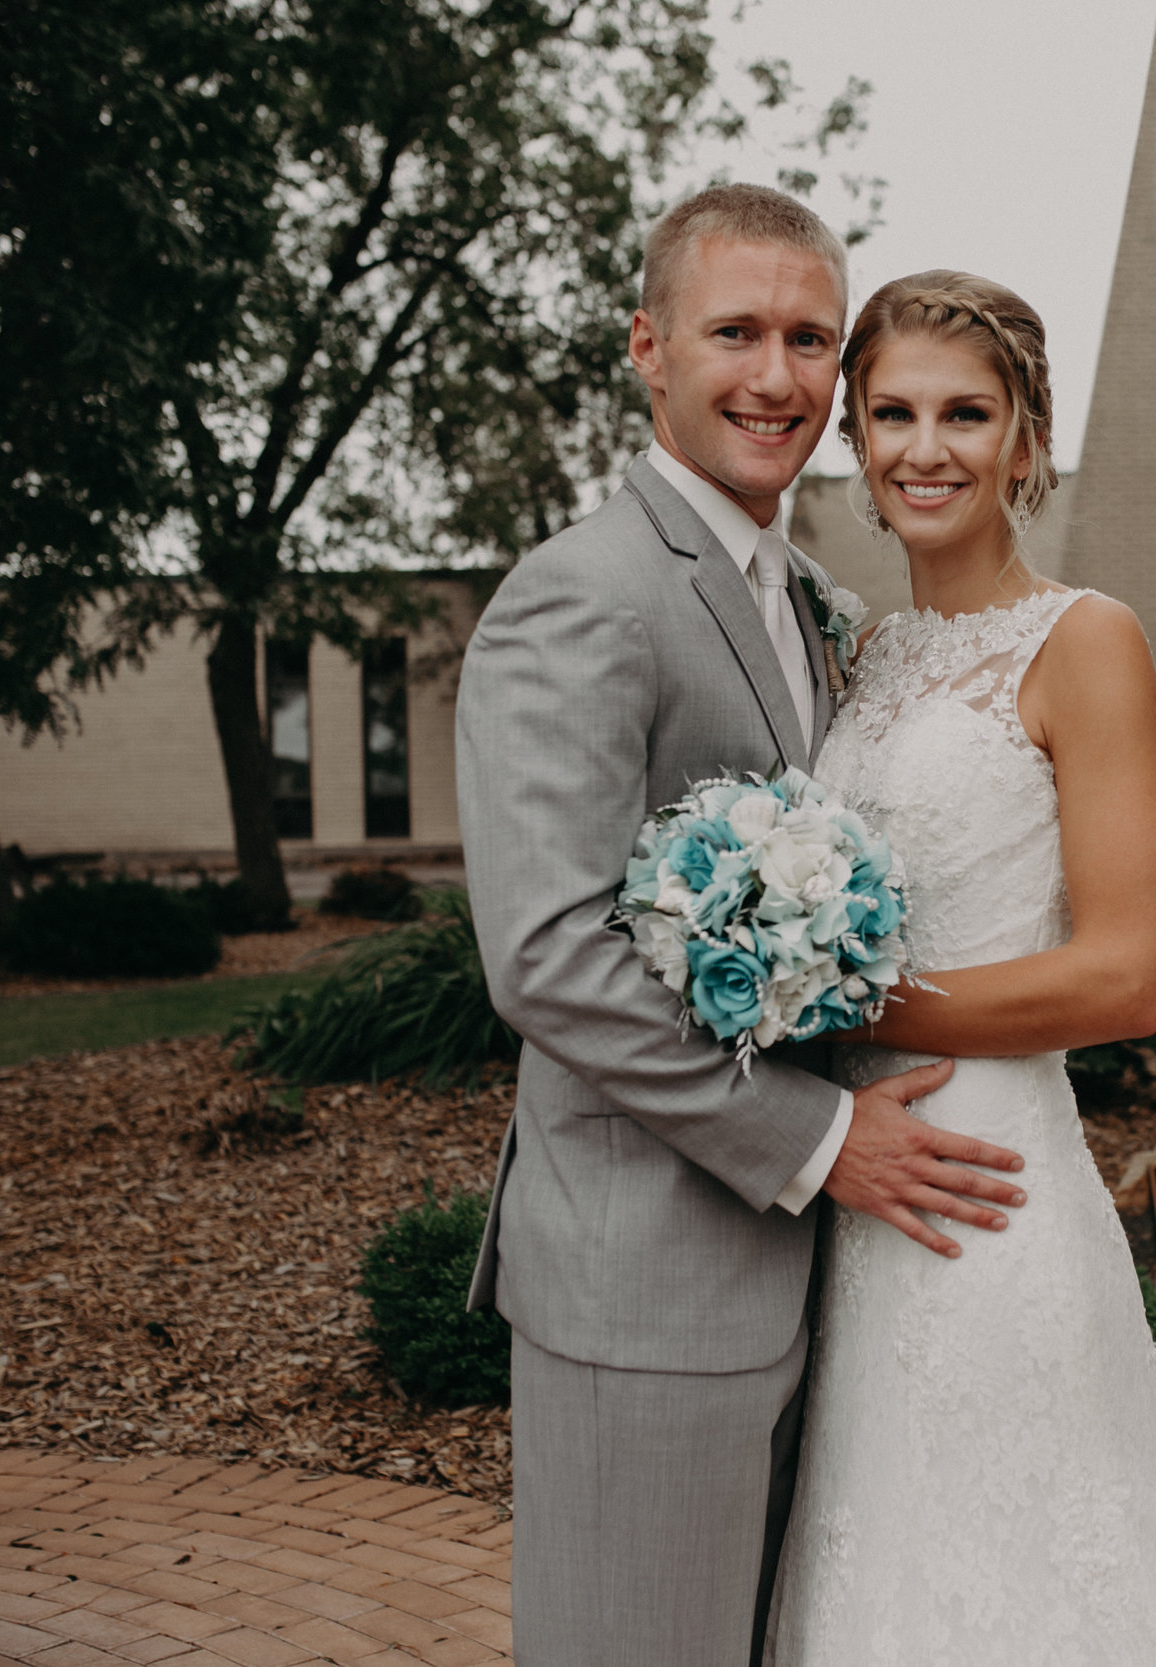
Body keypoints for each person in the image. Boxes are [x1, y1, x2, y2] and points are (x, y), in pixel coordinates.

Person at [455, 188, 1030, 1667]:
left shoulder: (816, 605)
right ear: (648, 349)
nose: (774, 376)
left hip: (816, 1284)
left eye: (807, 339)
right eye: (734, 333)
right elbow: (547, 955)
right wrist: (825, 1141)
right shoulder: (584, 598)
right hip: (646, 1284)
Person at [762, 272, 1156, 1664]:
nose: (926, 447)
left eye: (967, 413)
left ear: (1028, 441)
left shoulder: (1086, 641)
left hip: (989, 1180)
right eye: (891, 412)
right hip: (849, 1181)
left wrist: (855, 1005)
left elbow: (1127, 979)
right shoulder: (866, 655)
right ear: (852, 435)